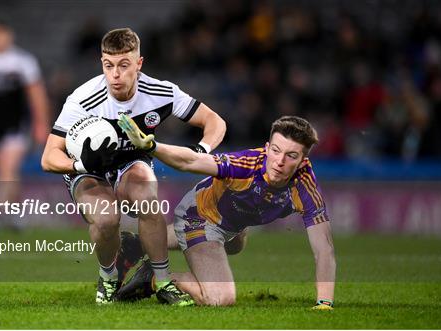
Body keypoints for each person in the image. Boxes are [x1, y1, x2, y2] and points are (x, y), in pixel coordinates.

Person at [41, 28, 226, 305]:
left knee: (148, 199)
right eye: (108, 65)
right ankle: (108, 277)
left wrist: (201, 151)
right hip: (87, 169)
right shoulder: (83, 99)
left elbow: (214, 121)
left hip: (131, 161)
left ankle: (163, 282)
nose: (115, 74)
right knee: (106, 219)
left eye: (124, 65)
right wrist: (78, 164)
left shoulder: (160, 92)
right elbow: (48, 157)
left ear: (139, 64)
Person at [116, 114, 336, 309]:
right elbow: (191, 161)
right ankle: (154, 278)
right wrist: (152, 147)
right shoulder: (246, 165)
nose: (279, 162)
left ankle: (136, 244)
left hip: (233, 225)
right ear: (267, 147)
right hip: (199, 216)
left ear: (302, 161)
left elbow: (324, 249)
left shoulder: (305, 186)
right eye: (276, 151)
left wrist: (324, 303)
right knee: (221, 299)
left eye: (291, 156)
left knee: (237, 245)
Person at [0, 23, 50, 222]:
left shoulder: (22, 61)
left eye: (1, 36)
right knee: (3, 171)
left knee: (7, 168)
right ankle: (15, 214)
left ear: (9, 37)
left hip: (18, 124)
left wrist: (41, 124)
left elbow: (36, 95)